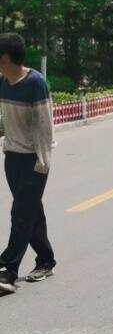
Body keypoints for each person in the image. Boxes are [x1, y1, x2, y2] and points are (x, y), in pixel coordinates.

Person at [0, 33, 56, 296]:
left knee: (20, 215)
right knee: (31, 212)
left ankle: (7, 271)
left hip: (35, 160)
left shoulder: (35, 83)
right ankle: (45, 260)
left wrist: (43, 161)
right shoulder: (3, 82)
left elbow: (45, 125)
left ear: (4, 58)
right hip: (12, 158)